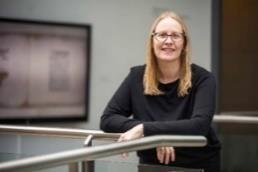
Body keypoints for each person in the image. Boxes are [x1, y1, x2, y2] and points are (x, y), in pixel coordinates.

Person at [100, 11, 221, 172]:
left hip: (197, 165)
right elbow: (108, 119)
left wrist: (145, 130)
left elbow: (200, 125)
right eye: (162, 35)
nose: (169, 41)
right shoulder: (137, 77)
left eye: (176, 36)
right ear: (152, 41)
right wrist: (157, 136)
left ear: (184, 43)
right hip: (151, 166)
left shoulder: (203, 79)